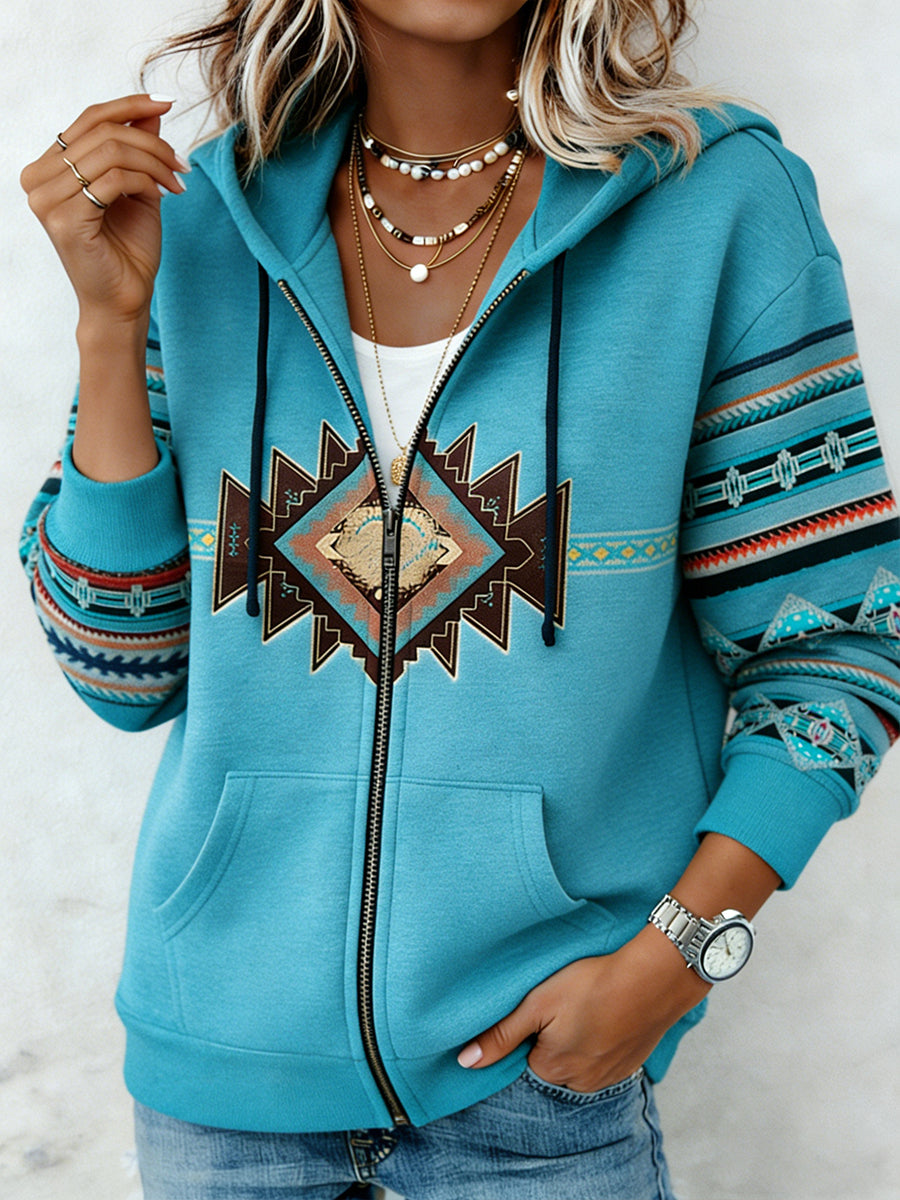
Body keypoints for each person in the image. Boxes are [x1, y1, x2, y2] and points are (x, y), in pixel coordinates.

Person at [18, 1, 900, 1197]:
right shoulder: (196, 216)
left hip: (540, 1096)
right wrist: (109, 325)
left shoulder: (714, 205)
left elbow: (839, 641)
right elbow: (122, 673)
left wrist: (678, 956)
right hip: (220, 1091)